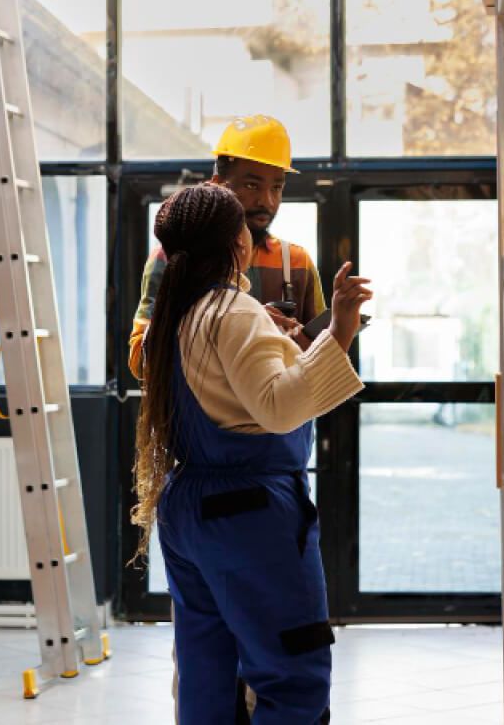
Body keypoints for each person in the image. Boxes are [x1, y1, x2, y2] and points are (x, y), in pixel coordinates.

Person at [133, 183, 372, 724]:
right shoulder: (232, 311)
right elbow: (279, 408)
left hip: (189, 508)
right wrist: (339, 330)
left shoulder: (178, 313)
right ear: (238, 242)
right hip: (250, 513)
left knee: (208, 674)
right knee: (292, 670)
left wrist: (272, 336)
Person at [129, 114, 326, 380]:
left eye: (277, 187)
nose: (267, 201)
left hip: (278, 404)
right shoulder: (172, 257)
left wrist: (330, 333)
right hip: (195, 407)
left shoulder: (296, 261)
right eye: (252, 185)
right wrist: (238, 324)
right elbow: (141, 362)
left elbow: (321, 365)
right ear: (218, 184)